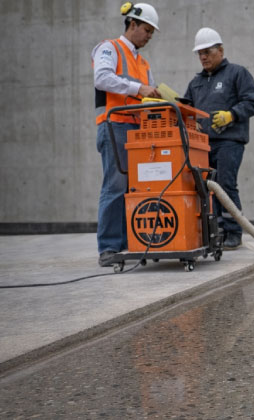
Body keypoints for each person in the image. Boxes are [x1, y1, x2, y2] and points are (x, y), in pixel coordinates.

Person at [92, 2, 161, 267]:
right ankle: (109, 247)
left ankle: (126, 243)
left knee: (134, 187)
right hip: (115, 126)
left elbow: (149, 92)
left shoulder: (143, 62)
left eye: (152, 32)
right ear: (132, 24)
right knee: (115, 185)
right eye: (147, 30)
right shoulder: (109, 48)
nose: (149, 36)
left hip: (137, 130)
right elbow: (102, 78)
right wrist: (138, 89)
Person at [184, 28, 254, 250]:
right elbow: (186, 108)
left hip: (229, 141)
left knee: (225, 185)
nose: (203, 57)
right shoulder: (196, 83)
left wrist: (231, 115)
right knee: (206, 188)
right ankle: (216, 231)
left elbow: (253, 103)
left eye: (207, 52)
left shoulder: (237, 74)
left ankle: (233, 232)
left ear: (220, 50)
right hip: (202, 145)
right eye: (199, 54)